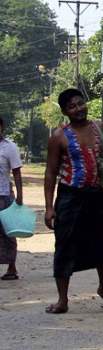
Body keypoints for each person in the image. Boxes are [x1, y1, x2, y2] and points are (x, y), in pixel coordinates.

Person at [42, 88, 103, 314]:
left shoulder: (99, 128)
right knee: (65, 245)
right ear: (66, 112)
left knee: (102, 243)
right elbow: (50, 173)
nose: (78, 109)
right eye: (72, 107)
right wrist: (49, 208)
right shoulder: (59, 136)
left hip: (95, 195)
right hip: (69, 198)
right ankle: (62, 300)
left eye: (80, 103)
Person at [0, 116, 23, 281]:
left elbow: (16, 172)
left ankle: (12, 267)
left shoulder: (9, 147)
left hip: (5, 195)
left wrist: (20, 195)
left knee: (8, 231)